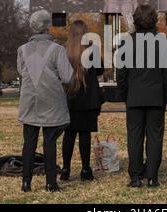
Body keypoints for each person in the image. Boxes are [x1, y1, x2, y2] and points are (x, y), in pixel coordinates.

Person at [117, 5, 167, 188]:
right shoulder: (162, 41)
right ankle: (152, 177)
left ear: (135, 20)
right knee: (155, 137)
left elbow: (121, 74)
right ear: (154, 20)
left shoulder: (126, 42)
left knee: (134, 137)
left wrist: (126, 95)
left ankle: (135, 177)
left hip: (134, 97)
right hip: (156, 97)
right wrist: (165, 96)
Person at [17, 10, 73, 193]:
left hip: (30, 101)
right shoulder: (57, 49)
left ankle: (26, 182)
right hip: (51, 100)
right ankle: (51, 183)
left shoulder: (22, 49)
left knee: (29, 142)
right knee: (50, 142)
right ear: (48, 26)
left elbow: (21, 71)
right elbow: (67, 78)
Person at [61, 20, 105, 182]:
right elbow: (100, 70)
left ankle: (65, 169)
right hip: (88, 99)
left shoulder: (64, 50)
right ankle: (85, 169)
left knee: (69, 134)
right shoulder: (91, 50)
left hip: (69, 98)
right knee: (85, 135)